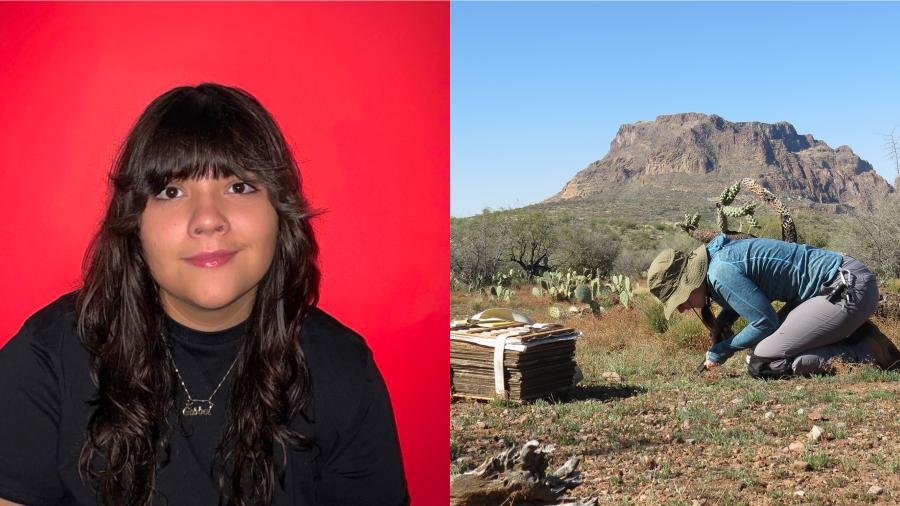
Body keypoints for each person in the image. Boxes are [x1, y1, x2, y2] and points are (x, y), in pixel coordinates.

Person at [0, 83, 409, 505]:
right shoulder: (48, 357)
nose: (208, 220)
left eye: (239, 187)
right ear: (135, 223)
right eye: (171, 191)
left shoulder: (341, 368)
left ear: (280, 212)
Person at [647, 233, 900, 378]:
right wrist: (723, 323)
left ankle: (865, 353)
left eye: (678, 301)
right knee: (766, 350)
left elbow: (764, 321)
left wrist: (722, 350)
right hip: (844, 285)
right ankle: (857, 335)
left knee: (762, 362)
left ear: (690, 283)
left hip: (846, 289)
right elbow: (749, 299)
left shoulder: (719, 273)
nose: (681, 309)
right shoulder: (717, 264)